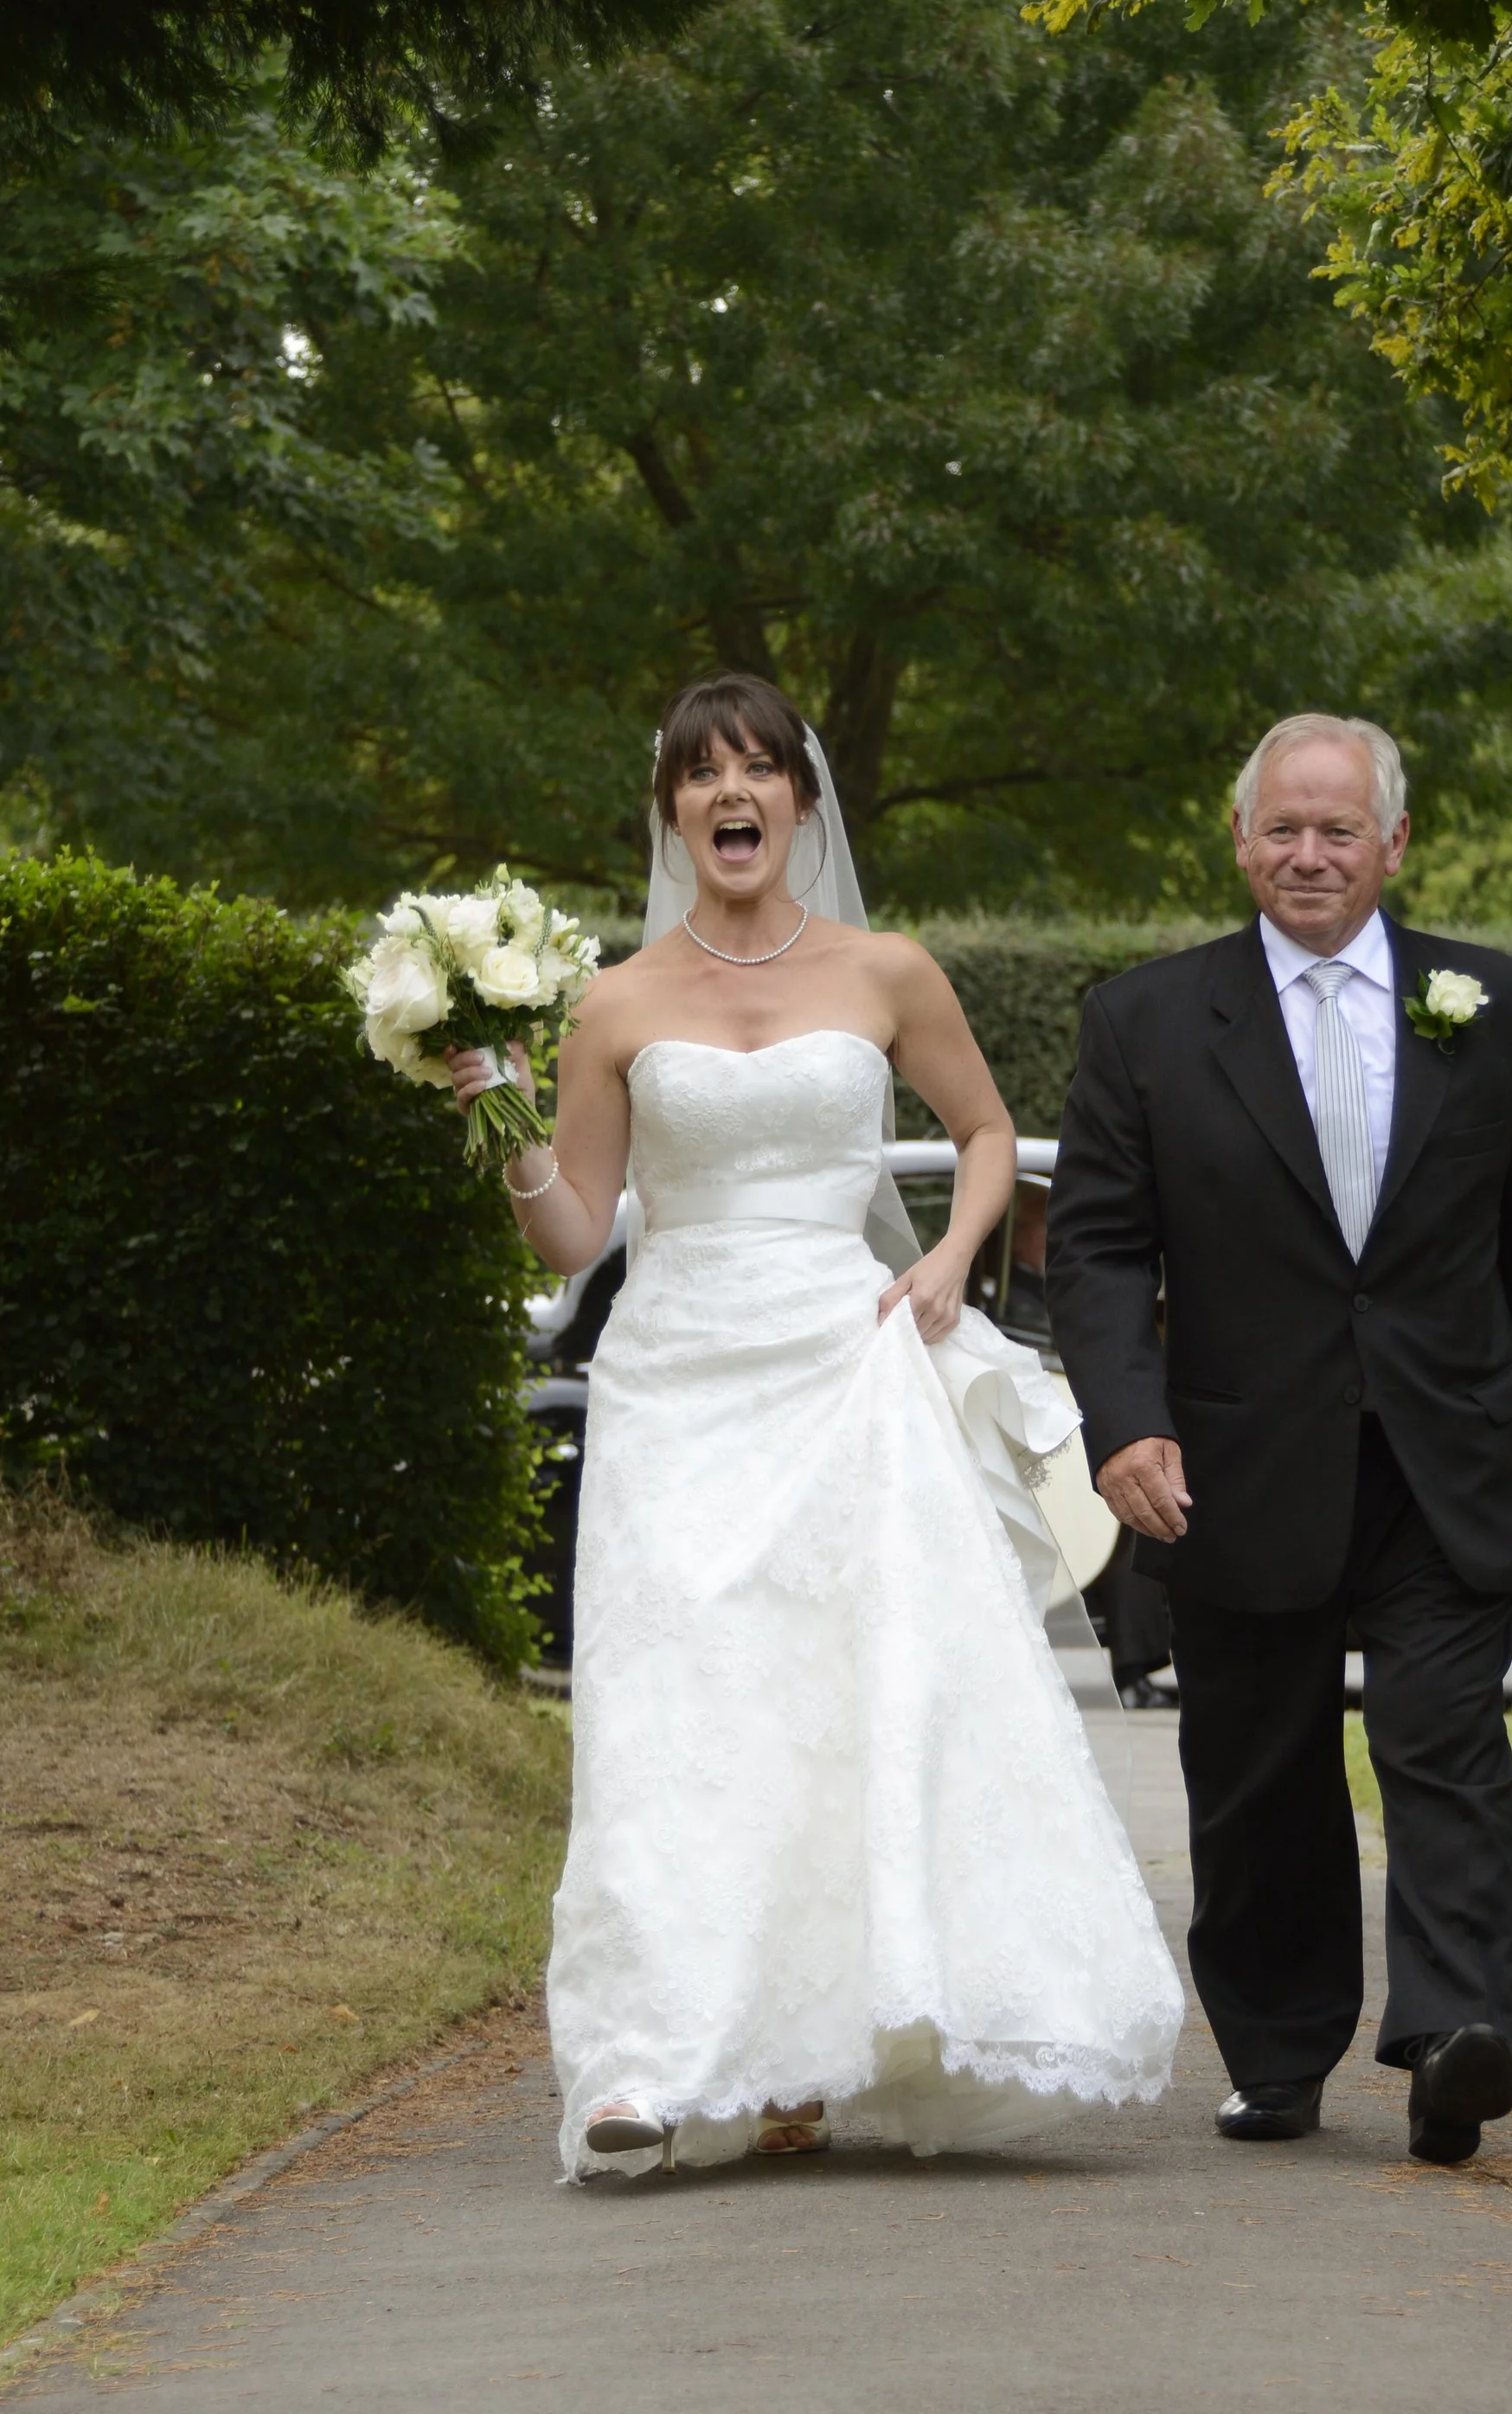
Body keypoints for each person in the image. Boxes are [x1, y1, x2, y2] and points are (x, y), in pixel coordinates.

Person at [452, 675, 1182, 2178]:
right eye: (702, 771)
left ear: (799, 801)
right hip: (679, 1383)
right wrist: (508, 1123)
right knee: (676, 1715)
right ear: (671, 809)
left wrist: (945, 1256)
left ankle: (827, 2033)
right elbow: (576, 1236)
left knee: (848, 1703)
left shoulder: (887, 970)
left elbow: (986, 1133)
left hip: (847, 1370)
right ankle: (645, 2060)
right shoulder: (615, 999)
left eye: (760, 768)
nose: (734, 792)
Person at [1046, 712, 1512, 2164]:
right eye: (1282, 828)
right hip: (1233, 1461)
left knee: (1445, 1738)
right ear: (1240, 840)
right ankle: (1280, 2052)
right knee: (1260, 1764)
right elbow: (1099, 1251)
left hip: (1443, 1453)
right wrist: (1125, 1425)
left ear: (1393, 844)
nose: (1308, 853)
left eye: (1337, 829)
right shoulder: (1146, 1023)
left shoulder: (1498, 1001)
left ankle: (1462, 2033)